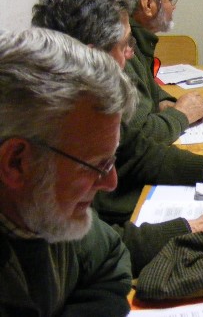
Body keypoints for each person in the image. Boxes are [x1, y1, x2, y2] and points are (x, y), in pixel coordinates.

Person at [32, 0, 203, 276]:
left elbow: (135, 151)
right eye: (124, 45)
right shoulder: (50, 131)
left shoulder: (82, 100)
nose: (131, 54)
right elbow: (97, 251)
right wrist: (200, 226)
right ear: (92, 57)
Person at [0, 27, 136, 316]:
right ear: (16, 163)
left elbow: (111, 258)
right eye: (96, 165)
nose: (111, 182)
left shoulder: (44, 208)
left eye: (111, 161)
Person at [108, 0, 203, 145]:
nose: (173, 6)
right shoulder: (121, 51)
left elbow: (147, 87)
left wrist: (162, 101)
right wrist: (182, 114)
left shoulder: (137, 40)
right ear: (148, 4)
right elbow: (140, 135)